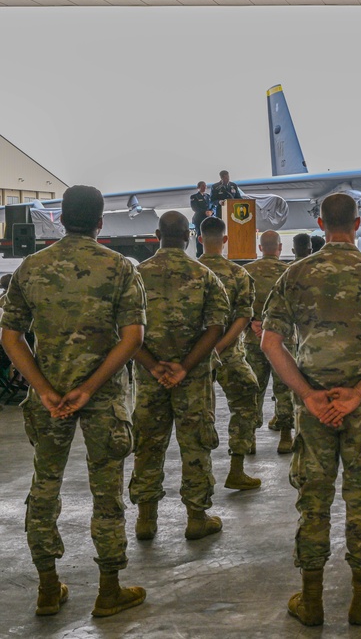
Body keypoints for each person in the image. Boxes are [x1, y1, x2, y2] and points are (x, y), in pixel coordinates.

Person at [261, 193, 361, 628]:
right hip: (359, 408)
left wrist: (308, 395)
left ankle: (311, 599)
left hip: (314, 408)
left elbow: (271, 343)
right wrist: (360, 392)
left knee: (314, 501)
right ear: (358, 223)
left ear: (321, 223)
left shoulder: (294, 274)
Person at [1, 185, 147, 618]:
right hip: (103, 399)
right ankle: (109, 590)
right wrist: (91, 386)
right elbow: (133, 338)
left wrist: (44, 388)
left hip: (48, 397)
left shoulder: (31, 267)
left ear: (60, 219)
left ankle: (47, 588)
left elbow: (11, 335)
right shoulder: (120, 268)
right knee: (107, 491)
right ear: (101, 222)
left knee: (44, 486)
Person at [129, 211, 228, 545]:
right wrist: (184, 367)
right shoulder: (204, 275)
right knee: (195, 445)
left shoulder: (136, 275)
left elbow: (123, 330)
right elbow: (216, 327)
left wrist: (154, 365)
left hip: (149, 378)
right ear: (188, 236)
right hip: (193, 378)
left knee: (148, 444)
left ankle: (146, 520)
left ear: (158, 234)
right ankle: (197, 518)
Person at [198, 216, 263, 489]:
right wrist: (220, 347)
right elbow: (244, 317)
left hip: (193, 357)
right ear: (225, 240)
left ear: (200, 239)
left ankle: (201, 477)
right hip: (228, 354)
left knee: (198, 413)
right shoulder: (239, 274)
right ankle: (236, 468)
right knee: (247, 397)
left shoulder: (193, 270)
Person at [243, 231, 294, 453]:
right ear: (280, 248)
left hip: (254, 340)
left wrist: (251, 324)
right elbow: (297, 308)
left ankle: (251, 438)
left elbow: (237, 307)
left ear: (260, 247)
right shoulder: (290, 273)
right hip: (284, 341)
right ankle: (285, 436)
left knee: (254, 388)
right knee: (284, 387)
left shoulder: (246, 272)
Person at [189, 181, 214, 257]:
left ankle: (209, 252)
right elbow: (195, 208)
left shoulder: (208, 196)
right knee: (200, 236)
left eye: (205, 186)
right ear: (198, 187)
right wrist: (205, 212)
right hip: (199, 219)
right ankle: (199, 253)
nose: (204, 187)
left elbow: (213, 206)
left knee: (210, 236)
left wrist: (211, 212)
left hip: (208, 219)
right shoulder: (194, 197)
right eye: (202, 186)